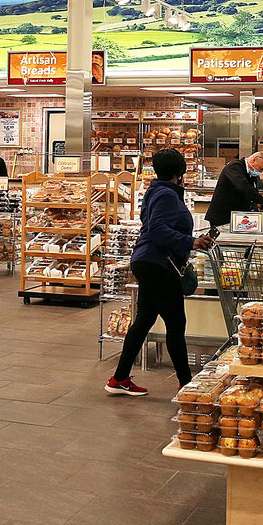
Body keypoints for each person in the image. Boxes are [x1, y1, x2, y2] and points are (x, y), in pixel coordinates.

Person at [106, 148, 214, 395]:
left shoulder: (156, 191)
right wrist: (192, 242)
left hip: (148, 261)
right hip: (157, 265)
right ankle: (187, 386)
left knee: (144, 319)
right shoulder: (166, 195)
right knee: (176, 324)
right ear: (180, 171)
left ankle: (119, 379)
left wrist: (189, 239)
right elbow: (156, 230)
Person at [206, 150, 263, 231]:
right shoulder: (235, 167)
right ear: (254, 160)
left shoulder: (251, 173)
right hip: (222, 217)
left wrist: (259, 205)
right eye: (260, 168)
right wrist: (261, 200)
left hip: (237, 217)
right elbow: (243, 187)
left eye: (262, 170)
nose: (260, 172)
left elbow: (253, 190)